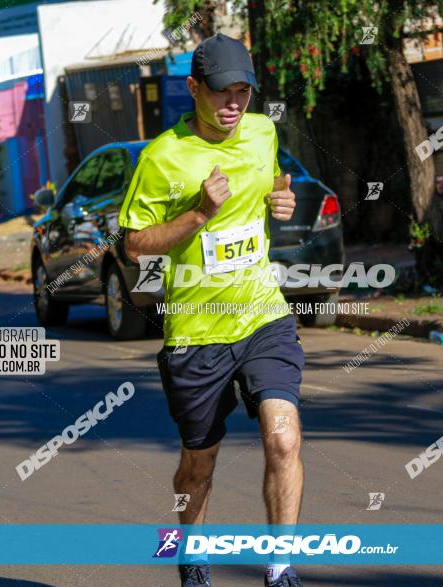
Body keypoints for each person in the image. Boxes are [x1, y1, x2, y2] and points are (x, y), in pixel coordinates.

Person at [119, 33, 305, 587]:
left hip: (262, 316)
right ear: (193, 88)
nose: (234, 105)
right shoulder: (161, 158)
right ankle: (191, 552)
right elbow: (131, 245)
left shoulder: (263, 131)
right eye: (223, 92)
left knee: (283, 437)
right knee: (198, 463)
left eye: (243, 93)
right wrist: (199, 214)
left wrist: (283, 201)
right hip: (197, 333)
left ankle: (280, 568)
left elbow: (272, 185)